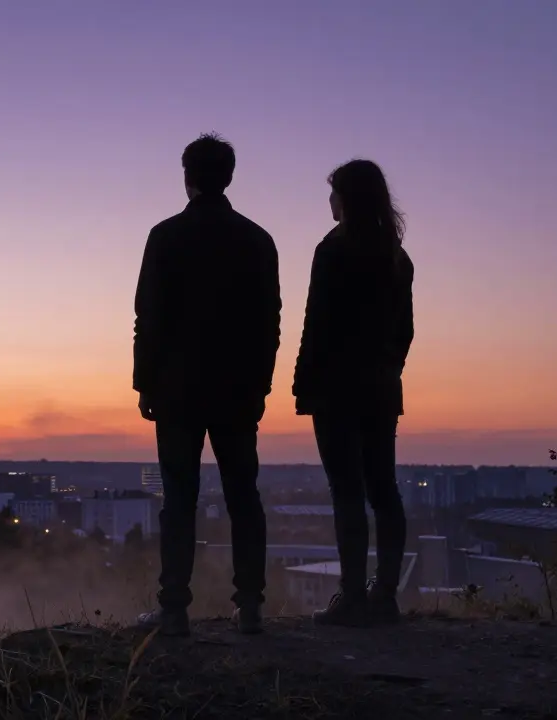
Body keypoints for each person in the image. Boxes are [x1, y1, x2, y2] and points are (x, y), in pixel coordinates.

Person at [133, 133, 281, 637]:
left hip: (177, 389)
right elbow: (270, 322)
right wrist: (261, 385)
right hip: (238, 390)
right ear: (230, 175)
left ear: (187, 176)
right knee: (244, 495)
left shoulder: (166, 236)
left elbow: (147, 318)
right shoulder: (257, 240)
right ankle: (252, 607)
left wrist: (145, 383)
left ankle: (174, 609)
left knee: (179, 499)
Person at [292, 159, 414, 627]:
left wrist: (304, 383)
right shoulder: (396, 257)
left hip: (337, 388)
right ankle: (384, 595)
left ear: (348, 199)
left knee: (347, 490)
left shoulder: (333, 251)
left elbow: (316, 322)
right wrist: (388, 371)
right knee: (383, 488)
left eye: (334, 193)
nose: (329, 201)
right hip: (381, 390)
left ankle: (353, 598)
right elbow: (405, 332)